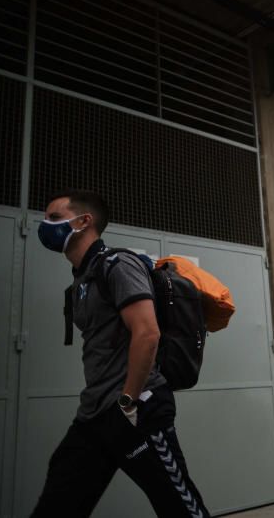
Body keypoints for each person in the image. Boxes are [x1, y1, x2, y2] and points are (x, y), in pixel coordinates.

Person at [32, 190, 207, 517]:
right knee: (59, 497)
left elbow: (147, 333)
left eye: (54, 218)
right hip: (94, 413)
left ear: (84, 221)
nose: (45, 225)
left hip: (135, 410)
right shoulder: (83, 277)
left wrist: (128, 400)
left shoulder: (117, 264)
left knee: (178, 506)